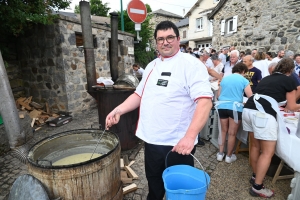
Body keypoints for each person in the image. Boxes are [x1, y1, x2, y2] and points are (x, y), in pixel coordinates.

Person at [105, 20, 213, 200]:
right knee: (154, 184)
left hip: (177, 143)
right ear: (156, 42)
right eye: (161, 38)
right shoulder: (151, 66)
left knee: (178, 189)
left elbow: (205, 102)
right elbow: (139, 95)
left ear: (179, 39)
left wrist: (189, 137)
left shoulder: (191, 65)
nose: (165, 42)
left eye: (170, 37)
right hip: (152, 139)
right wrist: (118, 110)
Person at [242, 58, 300, 198]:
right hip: (262, 115)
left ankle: (256, 176)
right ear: (290, 70)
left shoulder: (268, 78)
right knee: (268, 152)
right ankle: (258, 187)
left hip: (248, 110)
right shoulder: (289, 80)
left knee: (255, 146)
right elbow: (291, 107)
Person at [215, 62, 252, 163]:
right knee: (232, 133)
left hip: (222, 106)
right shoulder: (244, 80)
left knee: (223, 131)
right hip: (235, 108)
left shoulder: (225, 79)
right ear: (243, 71)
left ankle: (220, 154)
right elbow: (250, 96)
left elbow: (218, 95)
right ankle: (229, 156)